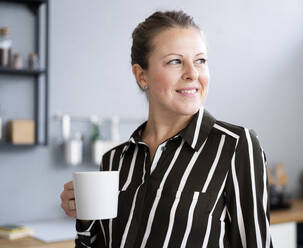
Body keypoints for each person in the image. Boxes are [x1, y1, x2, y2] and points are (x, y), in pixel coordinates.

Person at [60, 10, 273, 248]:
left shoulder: (236, 146)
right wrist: (86, 220)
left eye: (200, 60)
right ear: (142, 76)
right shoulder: (114, 161)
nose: (192, 74)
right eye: (175, 61)